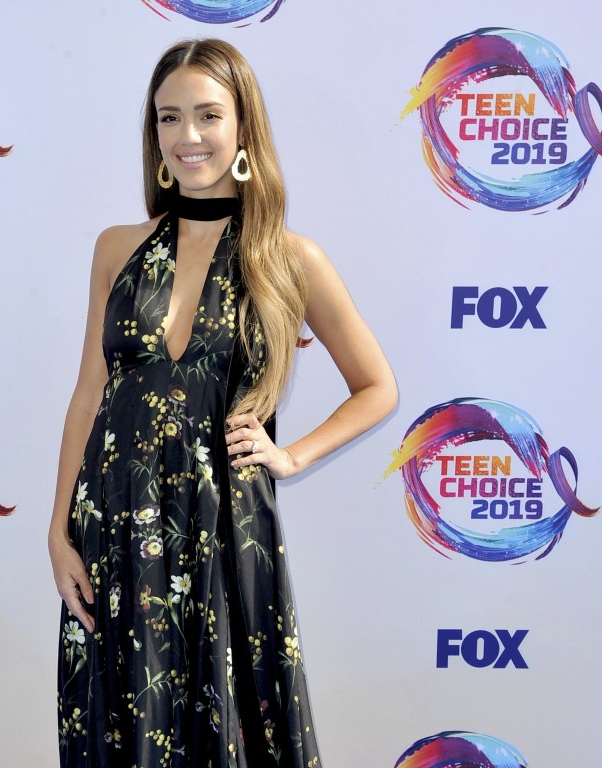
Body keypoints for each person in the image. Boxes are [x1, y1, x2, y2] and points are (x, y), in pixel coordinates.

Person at [48, 38, 397, 768]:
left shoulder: (287, 258)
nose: (188, 137)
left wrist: (291, 455)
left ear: (243, 128)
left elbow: (377, 387)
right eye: (168, 118)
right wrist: (58, 531)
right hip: (116, 531)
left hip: (225, 531)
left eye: (208, 115)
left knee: (234, 733)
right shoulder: (117, 248)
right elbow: (89, 395)